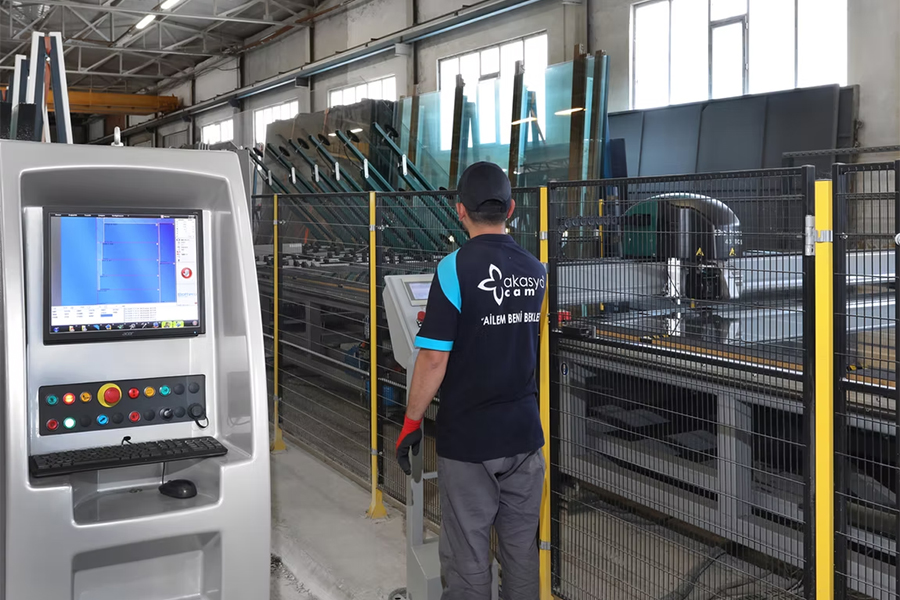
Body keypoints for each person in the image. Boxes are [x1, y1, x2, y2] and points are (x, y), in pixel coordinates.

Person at [395, 161, 546, 600]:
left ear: (460, 210)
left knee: (468, 559)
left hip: (470, 441)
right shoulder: (536, 270)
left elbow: (433, 360)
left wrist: (411, 422)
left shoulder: (453, 269)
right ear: (511, 209)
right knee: (520, 553)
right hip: (524, 436)